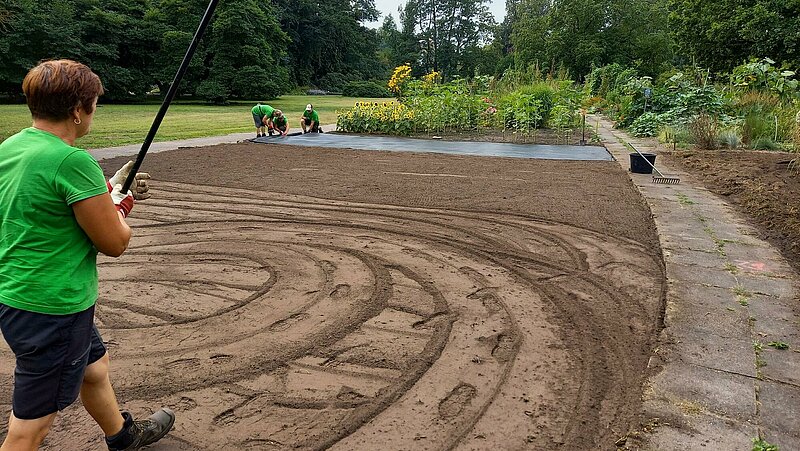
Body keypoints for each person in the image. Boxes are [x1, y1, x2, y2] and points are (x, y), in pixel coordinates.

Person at [0, 59, 173, 451]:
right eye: (94, 103)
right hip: (54, 306)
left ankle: (123, 436)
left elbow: (45, 208)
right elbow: (114, 242)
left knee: (94, 368)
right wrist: (120, 205)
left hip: (17, 295)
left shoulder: (12, 147)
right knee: (31, 427)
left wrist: (109, 189)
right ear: (78, 110)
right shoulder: (73, 161)